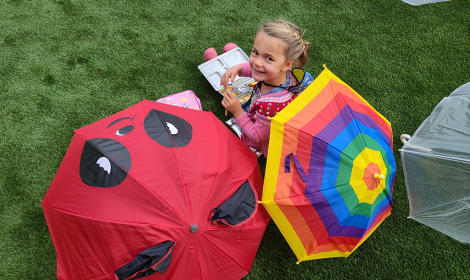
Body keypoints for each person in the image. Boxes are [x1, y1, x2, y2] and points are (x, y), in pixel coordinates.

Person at [219, 19, 314, 157]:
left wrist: (238, 112)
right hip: (263, 116)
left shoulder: (273, 103)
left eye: (268, 58)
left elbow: (257, 136)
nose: (257, 62)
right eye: (255, 52)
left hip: (263, 135)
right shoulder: (285, 74)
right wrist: (238, 68)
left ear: (287, 65)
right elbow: (260, 71)